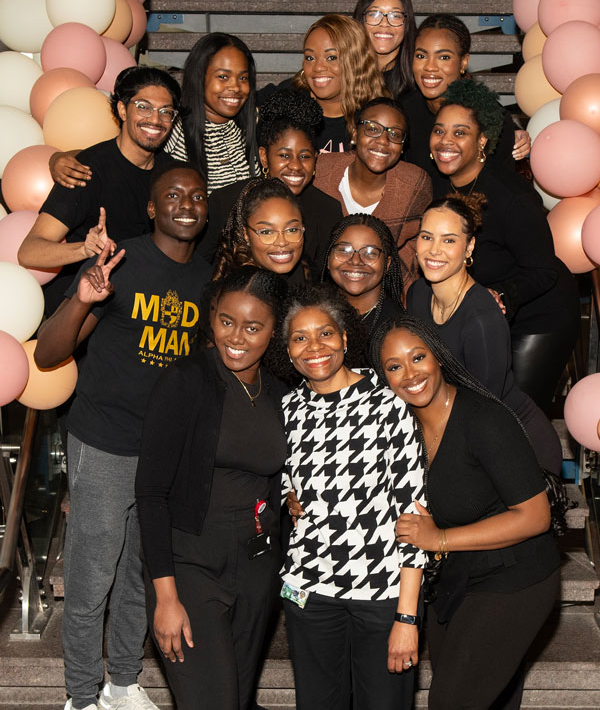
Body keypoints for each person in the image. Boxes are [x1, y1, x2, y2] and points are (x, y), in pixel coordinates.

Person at [34, 163, 212, 710]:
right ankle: (81, 696)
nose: (186, 203)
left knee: (142, 574)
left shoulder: (208, 279)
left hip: (165, 452)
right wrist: (83, 296)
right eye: (172, 195)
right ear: (153, 209)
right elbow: (47, 353)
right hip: (106, 440)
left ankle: (123, 684)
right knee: (92, 577)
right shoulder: (120, 261)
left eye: (197, 195)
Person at [370, 314, 560, 709]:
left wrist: (438, 538)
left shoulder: (484, 419)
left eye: (418, 357)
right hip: (458, 578)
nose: (409, 374)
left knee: (451, 701)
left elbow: (535, 516)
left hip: (515, 577)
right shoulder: (400, 429)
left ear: (438, 357)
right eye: (394, 366)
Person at [135, 266, 288, 710]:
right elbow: (150, 493)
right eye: (226, 321)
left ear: (275, 331)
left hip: (257, 567)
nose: (235, 337)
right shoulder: (186, 381)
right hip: (190, 565)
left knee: (237, 701)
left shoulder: (279, 391)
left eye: (253, 327)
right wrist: (166, 596)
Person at [278, 285, 427, 710]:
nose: (314, 347)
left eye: (325, 333)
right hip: (308, 589)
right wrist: (288, 492)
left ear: (345, 337)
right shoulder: (286, 410)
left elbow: (413, 511)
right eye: (300, 338)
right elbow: (284, 479)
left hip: (381, 594)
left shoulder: (388, 403)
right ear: (287, 351)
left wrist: (407, 616)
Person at [428, 78, 580, 409]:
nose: (446, 141)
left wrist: (501, 295)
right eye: (439, 131)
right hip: (485, 315)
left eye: (459, 133)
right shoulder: (439, 185)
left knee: (512, 416)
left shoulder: (511, 197)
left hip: (538, 317)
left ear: (482, 141)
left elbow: (543, 271)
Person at [407, 193, 563, 477]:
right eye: (426, 237)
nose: (434, 250)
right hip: (459, 430)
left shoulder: (482, 317)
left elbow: (485, 412)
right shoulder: (418, 294)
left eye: (449, 240)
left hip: (517, 446)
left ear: (470, 247)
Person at [18, 66, 181, 314]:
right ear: (122, 110)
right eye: (143, 107)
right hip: (80, 310)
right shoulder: (88, 169)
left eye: (166, 112)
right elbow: (29, 251)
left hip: (138, 312)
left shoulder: (173, 175)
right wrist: (85, 248)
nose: (155, 120)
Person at [201, 88, 343, 277]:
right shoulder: (226, 201)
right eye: (284, 155)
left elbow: (328, 280)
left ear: (316, 158)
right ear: (264, 157)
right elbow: (201, 269)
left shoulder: (327, 210)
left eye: (305, 156)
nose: (295, 165)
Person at [399, 14, 530, 191]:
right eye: (421, 56)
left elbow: (500, 193)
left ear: (463, 62)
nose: (430, 67)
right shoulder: (403, 111)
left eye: (444, 57)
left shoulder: (489, 118)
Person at [313, 96, 431, 288]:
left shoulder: (414, 185)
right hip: (322, 292)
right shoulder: (320, 172)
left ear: (402, 146)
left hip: (387, 295)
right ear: (354, 133)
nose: (383, 141)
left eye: (395, 134)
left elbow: (419, 247)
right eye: (373, 129)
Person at [260, 14, 387, 154]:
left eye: (331, 57)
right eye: (310, 57)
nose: (318, 67)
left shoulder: (377, 114)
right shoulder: (286, 100)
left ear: (356, 61)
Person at [164, 32, 259, 193]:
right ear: (199, 77)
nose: (235, 87)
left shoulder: (255, 124)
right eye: (223, 76)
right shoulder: (173, 133)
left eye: (243, 78)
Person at [213, 177, 307, 286]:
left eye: (292, 230)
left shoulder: (303, 277)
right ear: (246, 234)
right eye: (267, 232)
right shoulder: (242, 295)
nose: (282, 242)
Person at [322, 213, 405, 335]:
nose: (355, 260)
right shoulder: (311, 312)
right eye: (344, 250)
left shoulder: (397, 329)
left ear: (387, 264)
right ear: (328, 259)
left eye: (370, 253)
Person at [353, 0, 417, 98]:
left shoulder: (419, 80)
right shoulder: (343, 75)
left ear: (407, 23)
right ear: (361, 19)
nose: (384, 23)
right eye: (374, 14)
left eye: (395, 15)